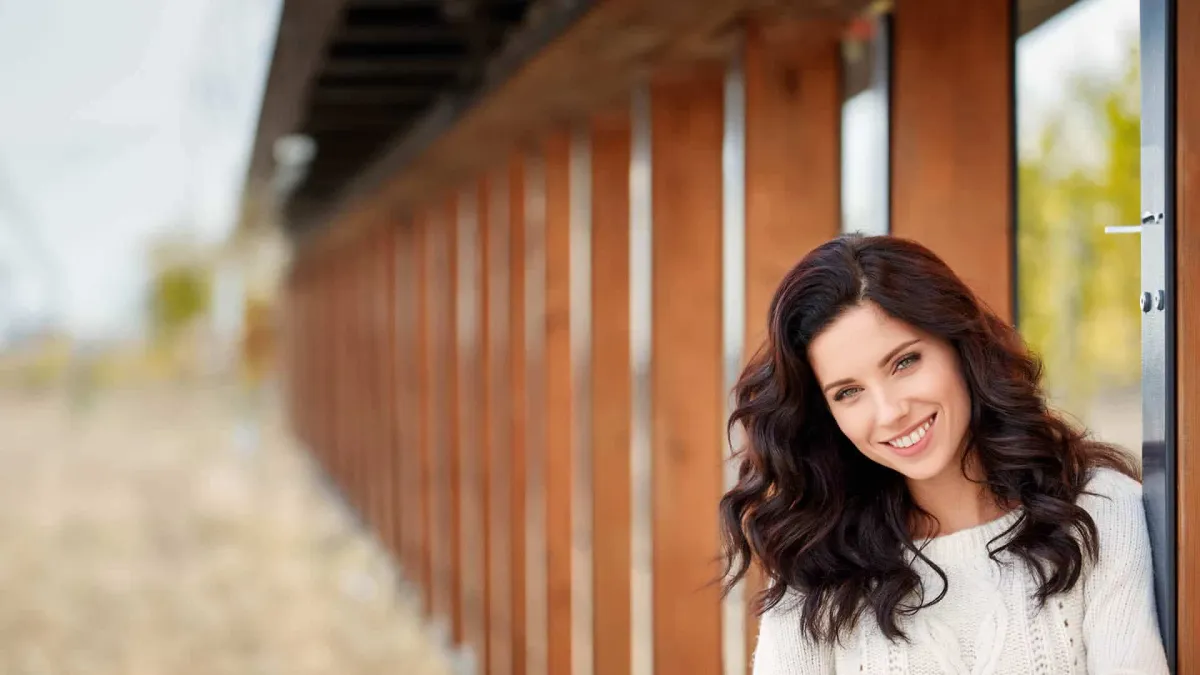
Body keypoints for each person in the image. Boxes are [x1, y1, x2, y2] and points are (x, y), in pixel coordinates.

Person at [719, 234, 1169, 673]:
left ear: (958, 344)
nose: (890, 412)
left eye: (904, 362)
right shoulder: (817, 567)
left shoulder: (1097, 512)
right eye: (848, 392)